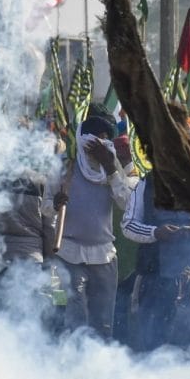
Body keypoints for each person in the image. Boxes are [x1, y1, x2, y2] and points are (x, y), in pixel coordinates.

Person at [121, 124, 190, 350]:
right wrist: (155, 233)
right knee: (152, 343)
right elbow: (128, 225)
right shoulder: (147, 183)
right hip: (156, 280)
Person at [53, 115, 134, 338]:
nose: (100, 143)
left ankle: (100, 366)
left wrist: (110, 168)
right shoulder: (65, 166)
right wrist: (56, 203)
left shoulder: (111, 165)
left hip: (104, 256)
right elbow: (46, 210)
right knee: (72, 317)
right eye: (96, 137)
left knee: (103, 323)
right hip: (68, 254)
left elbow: (126, 203)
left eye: (106, 138)